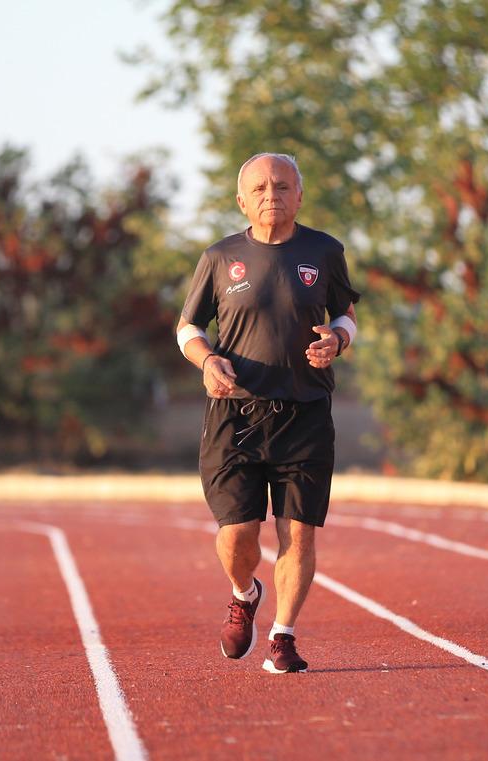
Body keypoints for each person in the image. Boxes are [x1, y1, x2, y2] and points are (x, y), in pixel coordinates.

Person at [175, 152, 359, 674]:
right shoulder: (219, 256)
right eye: (258, 188)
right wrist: (208, 359)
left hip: (305, 412)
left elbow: (346, 312)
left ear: (299, 195)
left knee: (298, 532)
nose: (270, 195)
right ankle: (243, 591)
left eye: (281, 186)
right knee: (237, 533)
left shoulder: (325, 252)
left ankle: (284, 635)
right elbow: (187, 328)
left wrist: (338, 339)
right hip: (236, 416)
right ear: (241, 200)